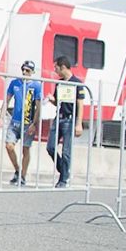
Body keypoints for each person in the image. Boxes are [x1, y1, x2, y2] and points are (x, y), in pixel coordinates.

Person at [4, 59, 43, 186]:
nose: (24, 72)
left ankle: (23, 176)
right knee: (9, 146)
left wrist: (34, 123)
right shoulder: (15, 83)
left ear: (32, 72)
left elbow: (38, 106)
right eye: (23, 69)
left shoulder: (36, 86)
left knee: (26, 149)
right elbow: (7, 100)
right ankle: (17, 170)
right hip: (15, 121)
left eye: (27, 70)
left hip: (28, 122)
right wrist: (0, 116)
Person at [47, 55, 85, 188]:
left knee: (66, 151)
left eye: (56, 67)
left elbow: (80, 104)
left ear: (63, 67)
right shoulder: (59, 83)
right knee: (50, 147)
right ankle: (64, 169)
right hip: (59, 117)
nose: (55, 70)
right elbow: (58, 102)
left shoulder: (77, 83)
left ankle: (63, 179)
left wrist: (79, 123)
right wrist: (52, 100)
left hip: (70, 119)